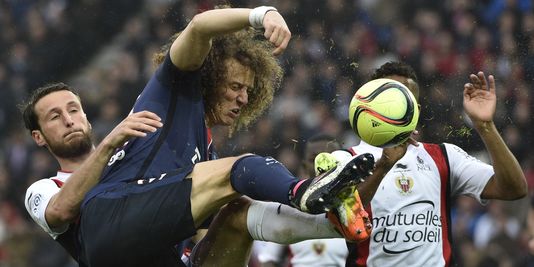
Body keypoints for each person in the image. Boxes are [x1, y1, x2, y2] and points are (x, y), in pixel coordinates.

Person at [22, 6, 376, 267]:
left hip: (158, 252)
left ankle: (332, 220)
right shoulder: (170, 93)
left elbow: (213, 229)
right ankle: (305, 191)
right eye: (236, 86)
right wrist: (261, 14)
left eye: (73, 109)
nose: (242, 98)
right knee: (241, 168)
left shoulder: (184, 149)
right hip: (109, 236)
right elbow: (199, 27)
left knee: (238, 214)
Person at [317, 62, 528, 266]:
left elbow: (514, 188)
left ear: (416, 107)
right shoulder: (346, 159)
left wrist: (485, 126)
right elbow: (340, 218)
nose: (400, 104)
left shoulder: (444, 155)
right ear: (371, 102)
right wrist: (383, 168)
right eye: (392, 96)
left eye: (407, 97)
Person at [256, 134, 351, 267]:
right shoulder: (287, 209)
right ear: (304, 165)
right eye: (314, 159)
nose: (323, 164)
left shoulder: (358, 207)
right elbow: (268, 260)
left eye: (329, 157)